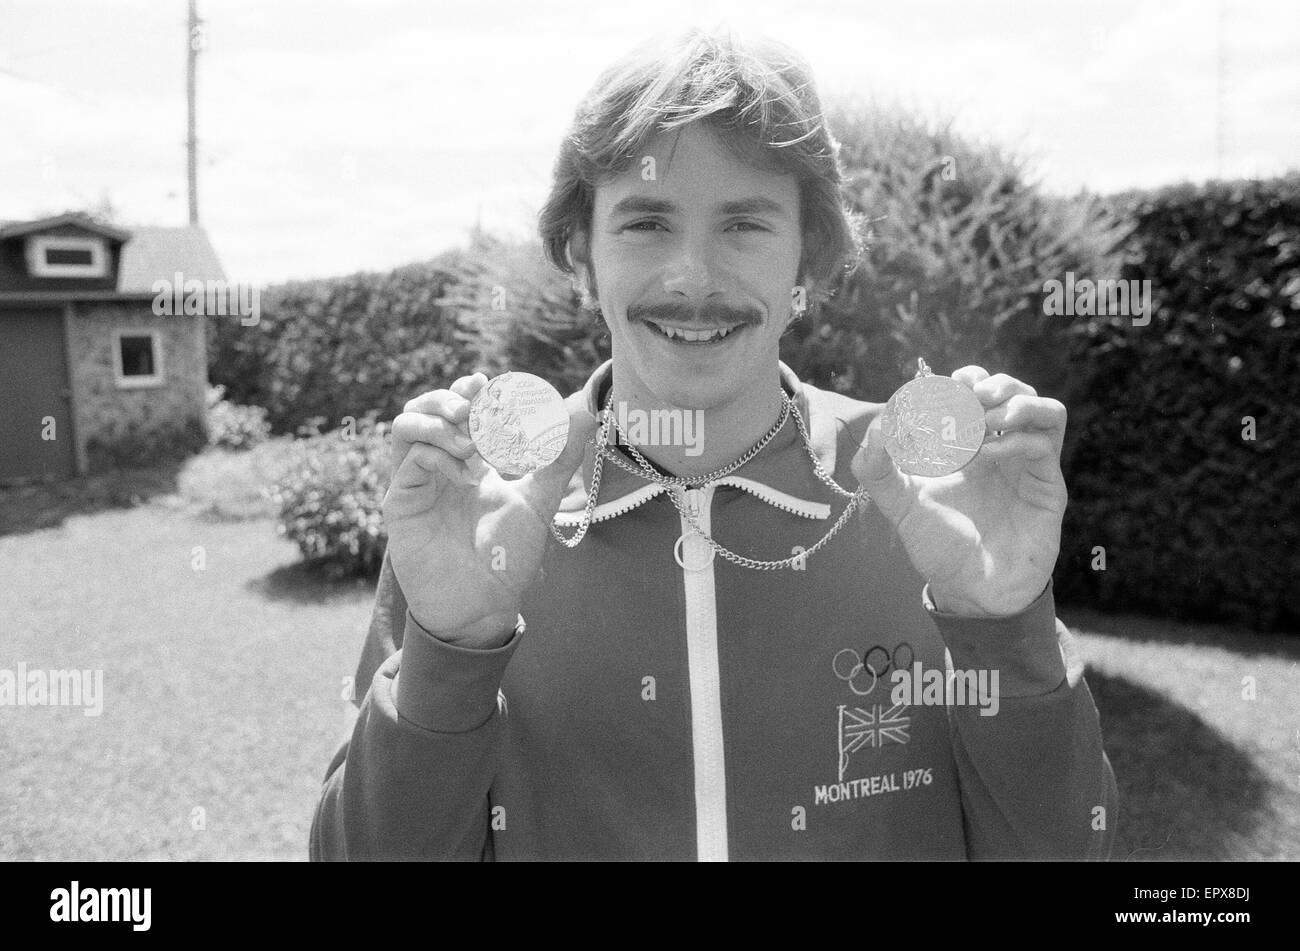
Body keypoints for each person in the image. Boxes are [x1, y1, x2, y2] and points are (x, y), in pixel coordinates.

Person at [310, 27, 1118, 861]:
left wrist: (1005, 630)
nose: (693, 276)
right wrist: (454, 652)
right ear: (581, 252)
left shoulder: (920, 488)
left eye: (744, 224)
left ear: (809, 252)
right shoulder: (480, 506)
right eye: (646, 222)